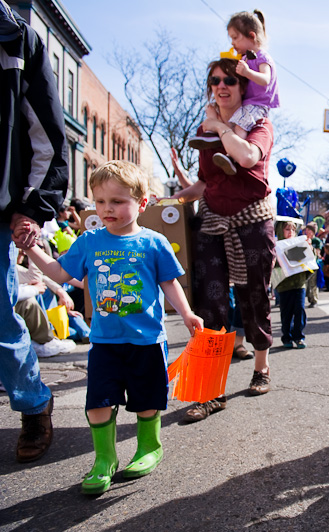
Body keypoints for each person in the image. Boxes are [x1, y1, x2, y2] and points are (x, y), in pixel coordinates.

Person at [25, 160, 203, 495]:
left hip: (147, 340)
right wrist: (30, 247)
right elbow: (59, 272)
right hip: (105, 342)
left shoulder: (154, 242)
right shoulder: (89, 241)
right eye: (101, 201)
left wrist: (188, 313)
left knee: (147, 399)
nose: (108, 209)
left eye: (118, 201)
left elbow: (170, 283)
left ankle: (149, 447)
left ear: (142, 203)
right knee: (97, 401)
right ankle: (104, 458)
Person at [171, 57, 277, 421]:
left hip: (252, 222)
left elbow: (246, 158)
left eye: (229, 79)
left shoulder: (261, 125)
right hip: (213, 223)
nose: (221, 85)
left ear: (243, 86)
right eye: (215, 80)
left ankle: (261, 368)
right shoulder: (204, 134)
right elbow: (206, 183)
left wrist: (219, 124)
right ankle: (210, 391)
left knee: (253, 299)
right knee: (210, 304)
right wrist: (173, 200)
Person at [0, 0, 68, 463]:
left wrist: (31, 207)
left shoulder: (18, 39)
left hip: (2, 208)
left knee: (1, 320)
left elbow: (47, 132)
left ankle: (32, 401)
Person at [189, 10, 279, 177]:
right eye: (215, 81)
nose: (232, 43)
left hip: (257, 104)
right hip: (249, 103)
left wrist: (247, 73)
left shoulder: (263, 57)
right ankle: (210, 137)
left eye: (235, 38)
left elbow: (265, 79)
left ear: (251, 36)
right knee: (225, 117)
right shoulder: (247, 57)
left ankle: (231, 157)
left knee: (239, 125)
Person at [274, 220, 311, 348]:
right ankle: (287, 337)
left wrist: (310, 251)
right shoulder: (276, 246)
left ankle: (299, 336)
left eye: (293, 230)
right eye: (287, 229)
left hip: (299, 283)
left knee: (299, 309)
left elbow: (309, 263)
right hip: (284, 285)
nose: (291, 233)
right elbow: (275, 267)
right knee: (286, 312)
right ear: (280, 231)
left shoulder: (299, 243)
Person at [304, 222, 322, 308]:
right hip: (305, 265)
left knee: (313, 283)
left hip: (313, 264)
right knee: (306, 283)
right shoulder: (303, 239)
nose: (307, 231)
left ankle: (314, 299)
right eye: (306, 230)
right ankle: (309, 298)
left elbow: (318, 253)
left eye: (309, 230)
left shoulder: (316, 241)